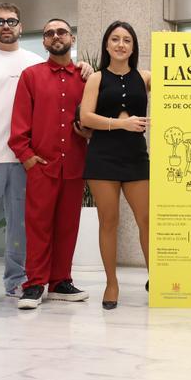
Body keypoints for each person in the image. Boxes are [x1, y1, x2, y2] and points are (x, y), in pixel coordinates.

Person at [0, 3, 92, 304]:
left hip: (49, 165)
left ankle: (30, 281)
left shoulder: (43, 65)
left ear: (21, 26)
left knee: (24, 228)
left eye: (12, 21)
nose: (6, 26)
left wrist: (87, 69)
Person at [8, 18, 93, 310]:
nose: (56, 36)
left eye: (61, 32)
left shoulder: (86, 78)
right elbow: (19, 123)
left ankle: (60, 282)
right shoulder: (30, 76)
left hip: (74, 166)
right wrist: (28, 157)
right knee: (38, 226)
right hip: (41, 166)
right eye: (49, 33)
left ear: (72, 37)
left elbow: (91, 118)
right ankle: (34, 284)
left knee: (68, 226)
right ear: (44, 41)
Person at [79, 21, 151, 310]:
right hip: (103, 157)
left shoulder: (145, 77)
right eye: (115, 39)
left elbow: (184, 81)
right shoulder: (96, 78)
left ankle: (155, 276)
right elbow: (85, 117)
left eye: (127, 40)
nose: (121, 44)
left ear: (134, 47)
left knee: (146, 220)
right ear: (107, 45)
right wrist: (122, 123)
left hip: (136, 156)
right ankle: (111, 284)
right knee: (108, 222)